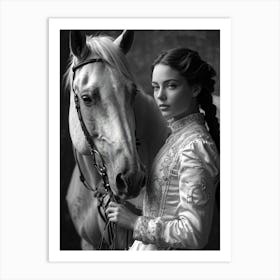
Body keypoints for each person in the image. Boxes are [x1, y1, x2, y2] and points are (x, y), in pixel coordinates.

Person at [106, 47, 220, 250]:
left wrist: (134, 222)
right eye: (155, 87)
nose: (160, 96)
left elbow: (194, 234)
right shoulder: (177, 138)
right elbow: (167, 205)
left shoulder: (195, 146)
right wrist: (127, 207)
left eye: (171, 86)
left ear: (195, 88)